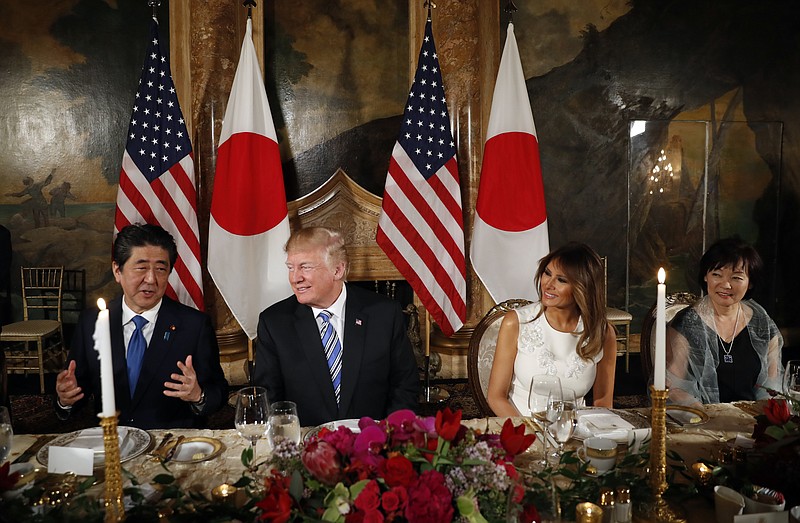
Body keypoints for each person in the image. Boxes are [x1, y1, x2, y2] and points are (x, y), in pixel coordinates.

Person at [55, 224, 228, 429]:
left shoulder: (194, 325)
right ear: (117, 271)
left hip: (173, 444)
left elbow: (218, 392)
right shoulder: (91, 323)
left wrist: (198, 395)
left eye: (161, 269)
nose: (151, 279)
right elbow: (76, 389)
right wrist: (65, 399)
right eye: (141, 268)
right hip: (114, 444)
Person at [253, 226, 419, 427]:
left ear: (338, 270)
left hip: (373, 446)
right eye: (290, 267)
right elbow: (268, 401)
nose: (295, 278)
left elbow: (405, 386)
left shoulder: (384, 314)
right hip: (305, 448)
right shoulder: (275, 323)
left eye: (305, 267)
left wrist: (388, 438)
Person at [487, 242, 617, 417]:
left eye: (561, 280)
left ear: (583, 288)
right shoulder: (516, 322)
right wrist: (528, 434)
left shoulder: (603, 333)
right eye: (547, 273)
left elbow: (603, 403)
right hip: (522, 430)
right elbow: (496, 397)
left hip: (574, 433)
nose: (548, 284)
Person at [666, 237, 783, 406]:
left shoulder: (762, 323)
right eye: (716, 274)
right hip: (702, 421)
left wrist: (761, 418)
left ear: (750, 283)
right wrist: (708, 418)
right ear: (706, 276)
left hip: (752, 421)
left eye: (736, 278)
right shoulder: (687, 323)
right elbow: (675, 389)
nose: (726, 284)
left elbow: (771, 386)